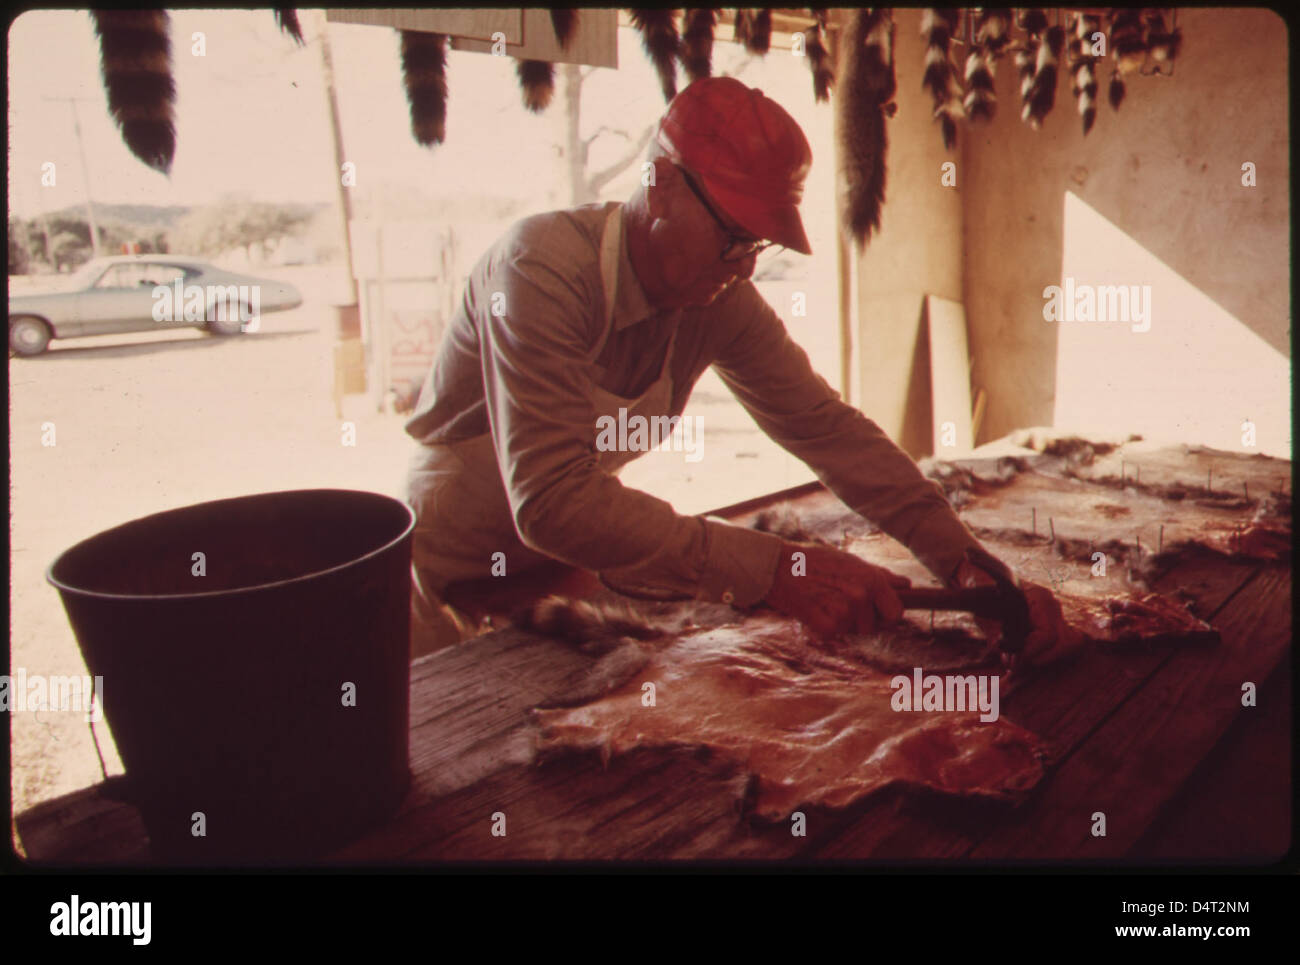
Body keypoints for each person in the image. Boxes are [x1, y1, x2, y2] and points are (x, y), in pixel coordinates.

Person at [403, 76, 1075, 663]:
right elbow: (551, 498)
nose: (747, 264)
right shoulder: (538, 268)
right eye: (735, 235)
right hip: (448, 578)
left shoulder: (718, 297)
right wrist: (778, 569)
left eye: (759, 243)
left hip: (560, 571)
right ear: (659, 184)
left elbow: (827, 429)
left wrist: (967, 568)